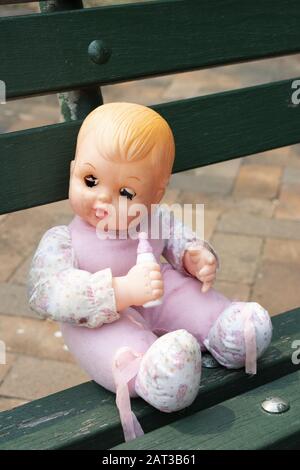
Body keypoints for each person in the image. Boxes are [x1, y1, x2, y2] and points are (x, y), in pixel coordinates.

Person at [28, 102, 272, 442]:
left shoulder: (154, 219)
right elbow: (47, 292)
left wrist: (193, 256)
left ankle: (223, 329)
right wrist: (121, 291)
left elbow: (177, 238)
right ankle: (153, 373)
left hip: (155, 292)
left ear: (155, 194)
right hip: (99, 314)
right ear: (73, 171)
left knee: (184, 292)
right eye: (90, 180)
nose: (103, 200)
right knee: (114, 341)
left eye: (126, 192)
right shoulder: (64, 240)